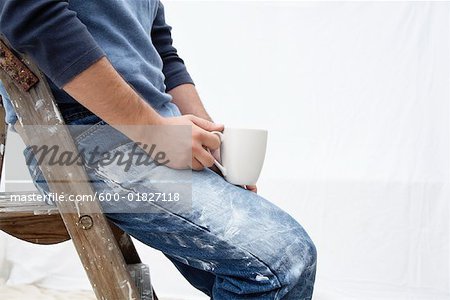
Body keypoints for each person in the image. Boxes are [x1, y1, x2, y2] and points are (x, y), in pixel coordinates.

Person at [0, 1, 316, 299]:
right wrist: (153, 131)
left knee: (262, 265)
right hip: (79, 133)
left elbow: (161, 48)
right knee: (279, 259)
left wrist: (208, 139)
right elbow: (33, 15)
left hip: (154, 125)